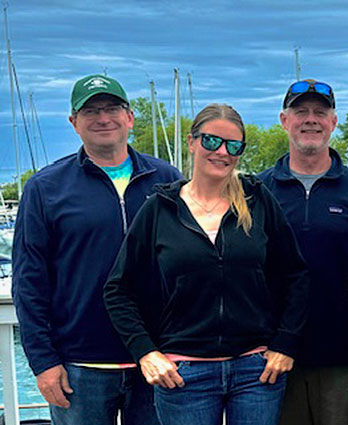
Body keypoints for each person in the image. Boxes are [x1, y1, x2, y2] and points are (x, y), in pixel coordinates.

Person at [103, 104, 309, 425]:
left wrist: (286, 343)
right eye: (212, 141)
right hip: (184, 374)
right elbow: (118, 289)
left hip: (256, 370)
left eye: (233, 146)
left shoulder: (258, 200)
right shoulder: (160, 209)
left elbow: (296, 275)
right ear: (192, 142)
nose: (222, 152)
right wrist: (145, 352)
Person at [12, 74, 181, 425]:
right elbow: (28, 281)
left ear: (130, 117)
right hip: (78, 367)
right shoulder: (46, 188)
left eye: (112, 108)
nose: (103, 118)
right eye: (91, 111)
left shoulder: (167, 179)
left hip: (159, 359)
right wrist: (43, 363)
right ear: (74, 123)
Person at [258, 80, 348, 425]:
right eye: (301, 111)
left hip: (343, 359)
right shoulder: (258, 190)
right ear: (284, 120)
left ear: (334, 121)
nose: (310, 119)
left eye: (320, 112)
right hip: (273, 357)